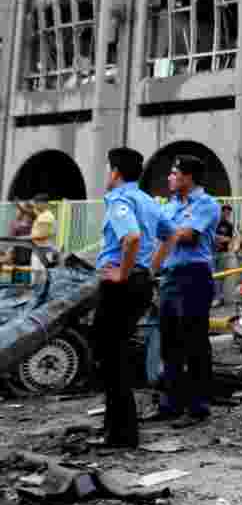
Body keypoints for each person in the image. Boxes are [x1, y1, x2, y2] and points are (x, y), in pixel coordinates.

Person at [93, 147, 173, 448]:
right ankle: (117, 430)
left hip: (121, 286)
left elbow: (132, 237)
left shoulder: (119, 199)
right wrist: (150, 269)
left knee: (109, 355)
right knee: (116, 352)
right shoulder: (148, 201)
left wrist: (124, 273)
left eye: (107, 169)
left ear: (114, 171)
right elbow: (170, 235)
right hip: (140, 284)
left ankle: (121, 434)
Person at [150, 155, 221, 427]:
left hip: (194, 276)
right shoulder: (169, 207)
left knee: (195, 343)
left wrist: (168, 234)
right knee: (170, 344)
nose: (169, 177)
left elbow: (187, 236)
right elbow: (163, 237)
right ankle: (170, 404)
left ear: (188, 177)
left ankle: (198, 406)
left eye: (174, 173)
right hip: (169, 276)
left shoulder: (207, 204)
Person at [213, 205, 235, 305]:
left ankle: (219, 297)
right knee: (212, 276)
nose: (227, 215)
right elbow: (210, 236)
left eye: (228, 213)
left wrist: (218, 238)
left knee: (221, 276)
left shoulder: (229, 225)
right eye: (225, 212)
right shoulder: (213, 222)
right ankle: (214, 297)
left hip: (223, 253)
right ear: (220, 212)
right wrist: (221, 238)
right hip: (212, 253)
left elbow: (229, 239)